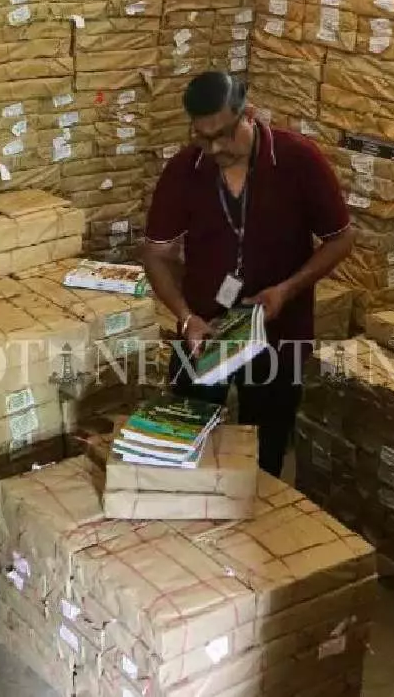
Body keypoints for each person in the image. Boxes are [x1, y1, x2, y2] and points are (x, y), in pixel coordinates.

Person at [141, 71, 356, 476]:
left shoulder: (298, 160)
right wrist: (185, 317)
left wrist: (287, 290)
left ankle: (261, 505)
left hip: (276, 332)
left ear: (249, 115)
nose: (214, 148)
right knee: (184, 440)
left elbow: (341, 239)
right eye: (202, 137)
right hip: (205, 331)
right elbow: (156, 253)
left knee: (266, 448)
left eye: (223, 135)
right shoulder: (185, 169)